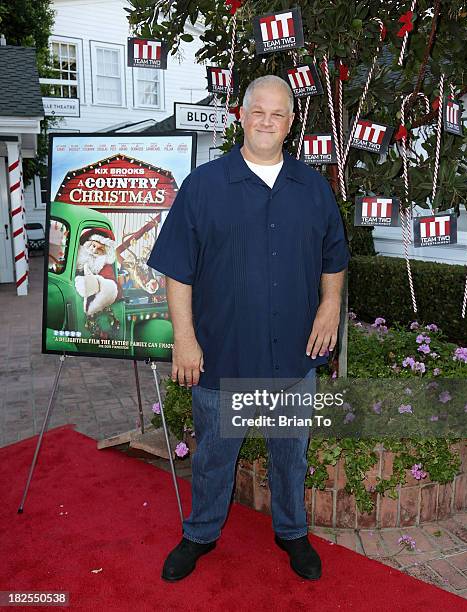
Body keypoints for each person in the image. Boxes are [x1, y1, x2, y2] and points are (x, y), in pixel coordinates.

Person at [147, 75, 350, 582]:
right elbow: (178, 269)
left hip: (293, 361)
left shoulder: (313, 190)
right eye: (257, 110)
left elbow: (334, 257)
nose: (266, 120)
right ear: (240, 115)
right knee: (215, 456)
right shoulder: (204, 186)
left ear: (291, 123)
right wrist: (185, 339)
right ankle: (199, 534)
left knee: (290, 457)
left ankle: (292, 531)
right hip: (223, 355)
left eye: (277, 113)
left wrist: (330, 307)